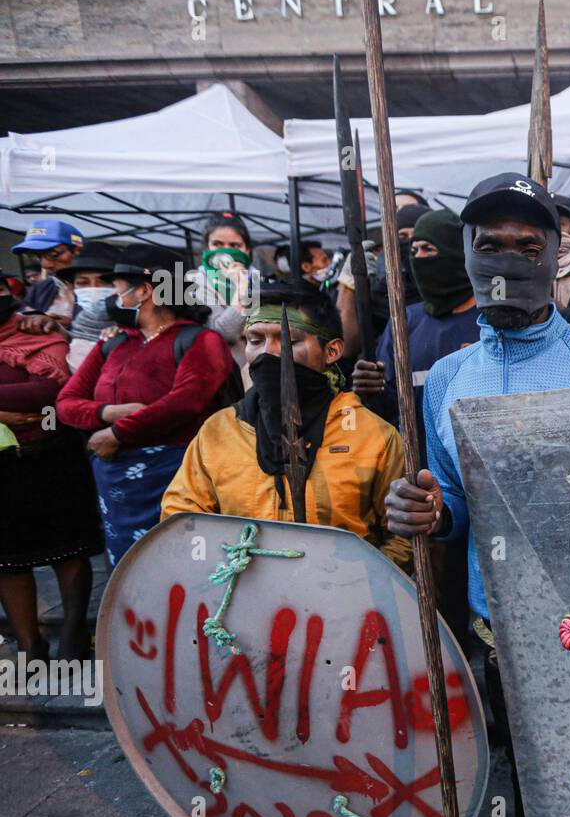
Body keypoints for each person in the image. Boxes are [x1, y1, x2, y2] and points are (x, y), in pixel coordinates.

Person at [383, 173, 570, 817]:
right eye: (490, 245)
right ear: (467, 253)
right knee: (532, 800)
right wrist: (430, 511)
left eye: (528, 247)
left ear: (558, 254)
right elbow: (457, 506)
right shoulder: (446, 378)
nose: (507, 262)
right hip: (500, 637)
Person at [161, 281, 411, 571]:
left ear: (331, 351)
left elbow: (404, 535)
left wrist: (353, 586)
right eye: (256, 340)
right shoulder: (218, 432)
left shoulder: (373, 436)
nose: (270, 353)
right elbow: (182, 520)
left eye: (289, 341)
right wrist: (225, 573)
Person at [55, 244, 234, 566]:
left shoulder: (201, 341)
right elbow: (65, 403)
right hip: (116, 484)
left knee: (182, 567)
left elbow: (186, 402)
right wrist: (105, 414)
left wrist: (117, 434)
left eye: (119, 289)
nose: (113, 297)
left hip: (176, 476)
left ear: (145, 291)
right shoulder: (114, 342)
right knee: (127, 570)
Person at [0, 278, 102, 661]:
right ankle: (31, 647)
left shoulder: (38, 330)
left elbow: (46, 392)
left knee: (68, 551)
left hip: (53, 455)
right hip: (4, 466)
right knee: (8, 561)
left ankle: (75, 637)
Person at [352, 208, 480, 433]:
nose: (418, 258)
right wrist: (372, 389)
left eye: (428, 249)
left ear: (456, 253)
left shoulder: (488, 321)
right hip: (420, 462)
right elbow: (390, 408)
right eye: (414, 250)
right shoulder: (404, 323)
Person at [196, 211, 258, 369]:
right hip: (223, 374)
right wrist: (242, 289)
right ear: (207, 248)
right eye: (217, 244)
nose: (226, 252)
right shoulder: (197, 282)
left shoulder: (258, 281)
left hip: (258, 371)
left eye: (235, 246)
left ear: (247, 250)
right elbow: (223, 333)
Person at [57, 241, 120, 371]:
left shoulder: (142, 323)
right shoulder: (81, 321)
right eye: (83, 283)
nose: (94, 289)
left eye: (105, 282)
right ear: (73, 287)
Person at [12, 219, 82, 321]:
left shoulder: (101, 286)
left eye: (53, 255)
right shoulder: (41, 288)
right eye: (38, 257)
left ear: (77, 251)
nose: (45, 265)